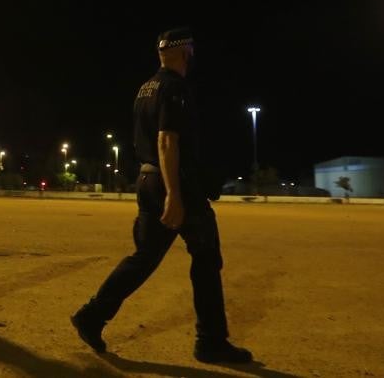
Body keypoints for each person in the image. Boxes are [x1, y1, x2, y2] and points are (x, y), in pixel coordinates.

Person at [71, 28, 252, 364]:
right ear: (185, 53)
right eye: (191, 51)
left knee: (144, 258)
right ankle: (211, 341)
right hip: (175, 183)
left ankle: (92, 316)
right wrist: (174, 194)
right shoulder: (175, 87)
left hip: (147, 179)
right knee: (206, 257)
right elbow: (167, 140)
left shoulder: (145, 89)